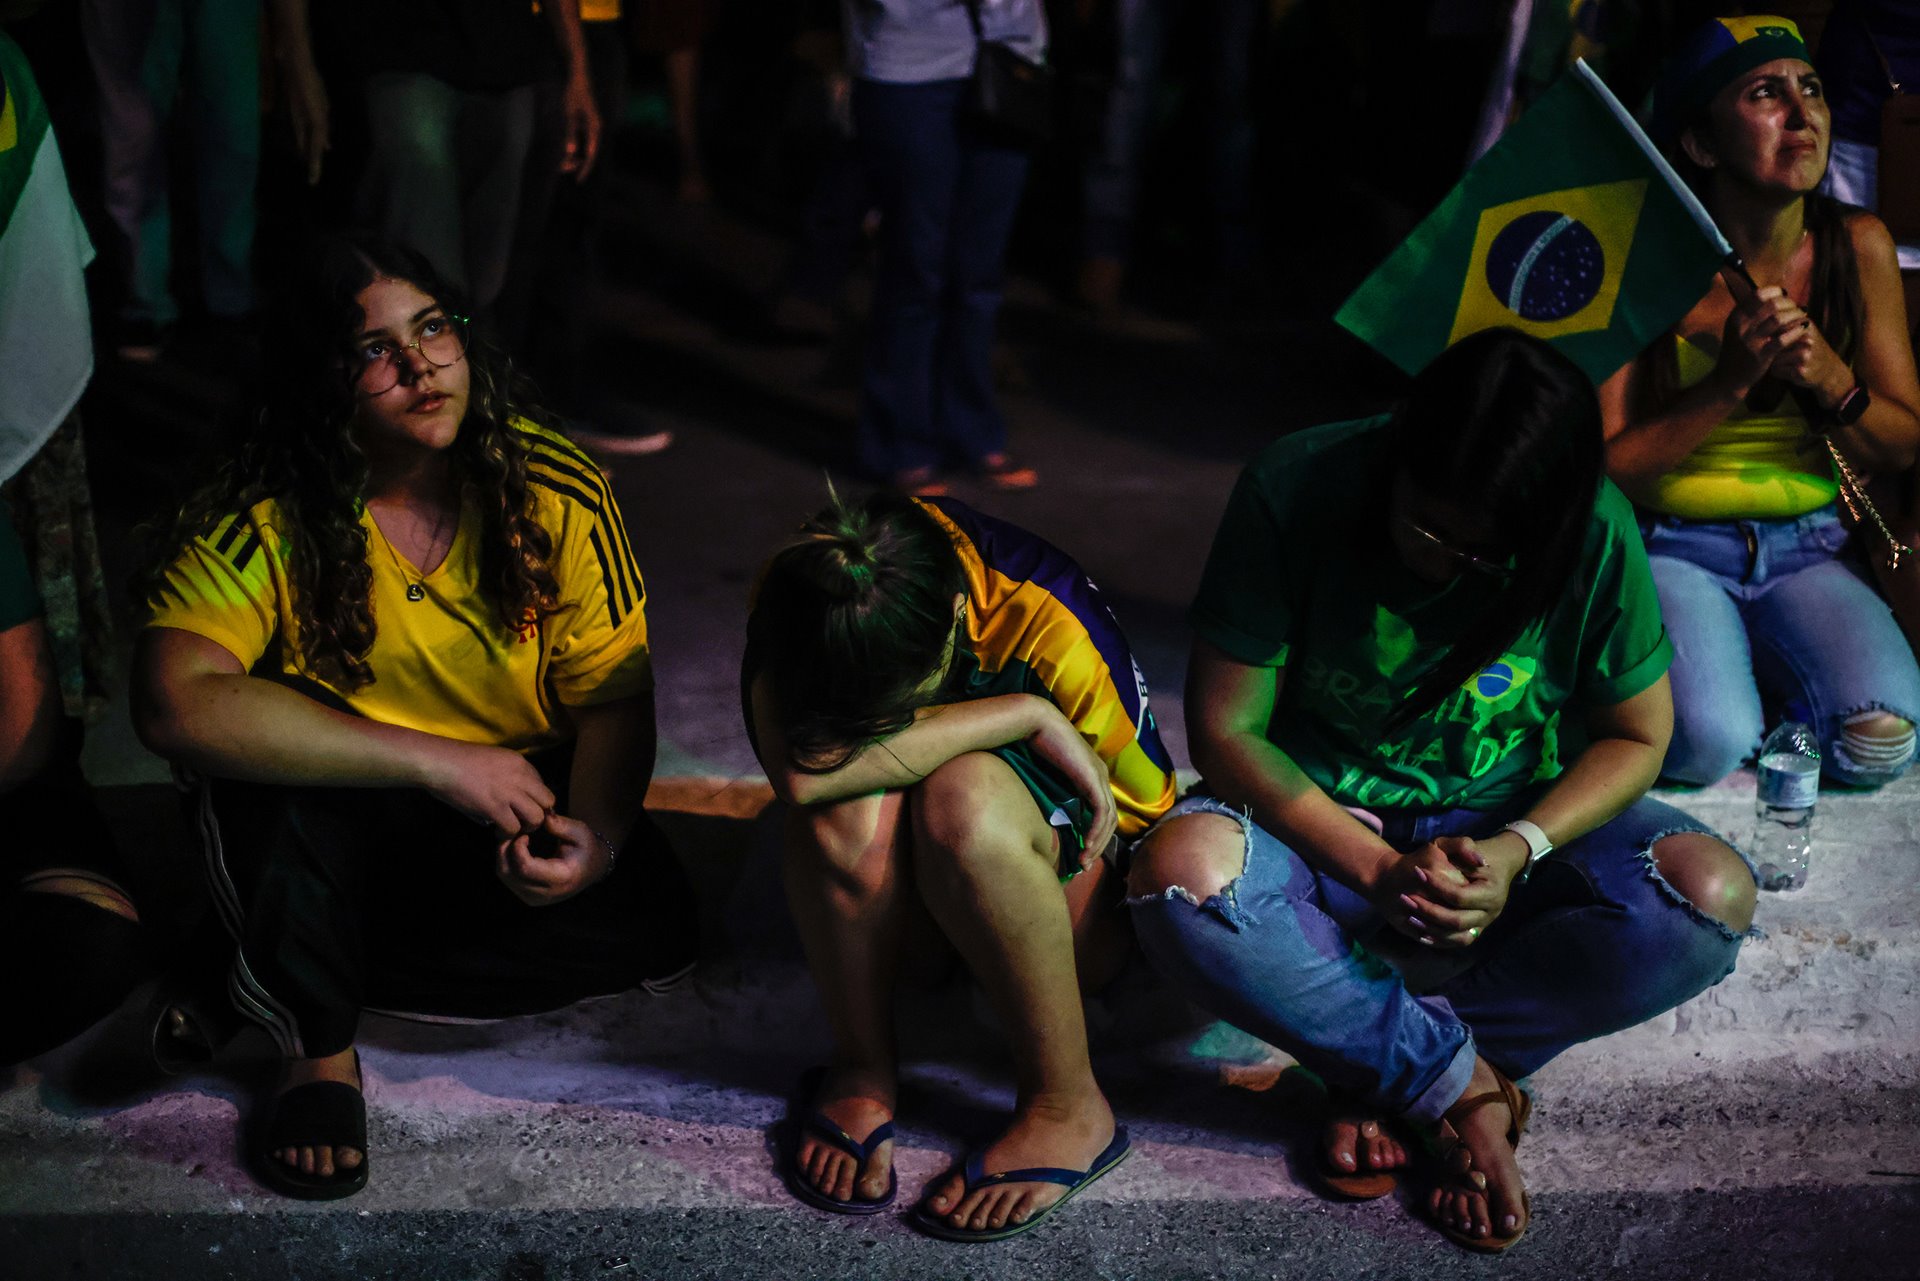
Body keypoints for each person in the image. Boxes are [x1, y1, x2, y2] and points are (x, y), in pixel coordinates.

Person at [1127, 329, 1758, 1253]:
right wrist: (1377, 867)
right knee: (1180, 876)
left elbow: (1640, 734)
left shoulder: (1591, 524)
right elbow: (1227, 730)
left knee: (1708, 899)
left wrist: (1518, 850)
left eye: (1488, 555)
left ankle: (1380, 1062)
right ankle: (1464, 1087)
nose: (1451, 564)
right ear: (1398, 457)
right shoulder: (1297, 483)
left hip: (1505, 823)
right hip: (1329, 826)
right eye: (1431, 531)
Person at [132, 233, 697, 1201]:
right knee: (260, 761)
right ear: (320, 377)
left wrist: (594, 842)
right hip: (354, 805)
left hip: (504, 800)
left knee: (660, 935)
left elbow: (612, 700)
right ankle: (316, 1050)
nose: (421, 366)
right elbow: (174, 702)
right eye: (374, 349)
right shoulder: (265, 510)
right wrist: (437, 760)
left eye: (433, 329)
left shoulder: (548, 483)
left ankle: (257, 958)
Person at [744, 491, 1176, 1240]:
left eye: (892, 702)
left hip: (1056, 917)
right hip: (919, 919)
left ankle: (1068, 1105)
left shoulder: (1049, 619)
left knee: (964, 800)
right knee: (838, 811)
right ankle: (862, 1067)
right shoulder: (807, 588)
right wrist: (1024, 715)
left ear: (954, 619)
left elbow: (1144, 826)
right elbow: (805, 774)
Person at [1601, 15, 1920, 788]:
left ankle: (1755, 679)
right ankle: (1721, 688)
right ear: (1702, 144)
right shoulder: (1641, 255)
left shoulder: (1858, 244)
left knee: (1882, 743)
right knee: (1707, 744)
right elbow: (1610, 466)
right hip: (1675, 547)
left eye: (1810, 89)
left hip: (1807, 547)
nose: (1802, 112)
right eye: (1765, 94)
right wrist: (1729, 383)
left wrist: (1833, 380)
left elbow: (1905, 441)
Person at [843, 0, 1048, 494]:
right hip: (908, 64)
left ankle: (973, 432)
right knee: (915, 264)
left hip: (1011, 54)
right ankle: (901, 443)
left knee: (979, 270)